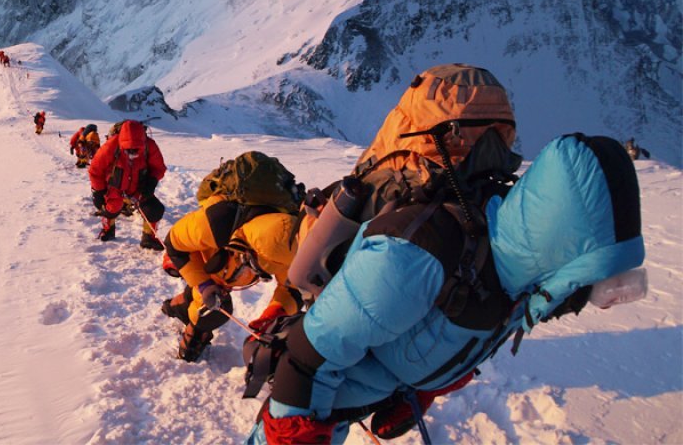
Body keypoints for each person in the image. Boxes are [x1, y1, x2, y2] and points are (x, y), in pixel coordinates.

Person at [244, 133, 646, 444]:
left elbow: (459, 335)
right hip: (308, 411)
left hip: (353, 400)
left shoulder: (519, 280)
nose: (603, 297)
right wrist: (294, 434)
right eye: (595, 276)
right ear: (564, 250)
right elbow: (310, 353)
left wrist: (423, 390)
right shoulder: (416, 256)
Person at [162, 191, 305, 362]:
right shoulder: (214, 223)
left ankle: (181, 305)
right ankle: (196, 324)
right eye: (252, 265)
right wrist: (203, 285)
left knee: (216, 292)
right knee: (215, 309)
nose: (253, 273)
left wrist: (273, 315)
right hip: (198, 252)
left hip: (225, 269)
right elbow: (174, 243)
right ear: (246, 246)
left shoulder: (287, 251)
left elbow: (292, 290)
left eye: (263, 275)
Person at [88, 119, 167, 246]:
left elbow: (159, 168)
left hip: (140, 187)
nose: (132, 153)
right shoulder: (111, 145)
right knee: (111, 207)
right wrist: (98, 191)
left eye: (136, 150)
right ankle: (108, 229)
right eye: (128, 149)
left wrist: (151, 182)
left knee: (154, 209)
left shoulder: (150, 146)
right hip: (115, 185)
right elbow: (95, 170)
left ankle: (149, 237)